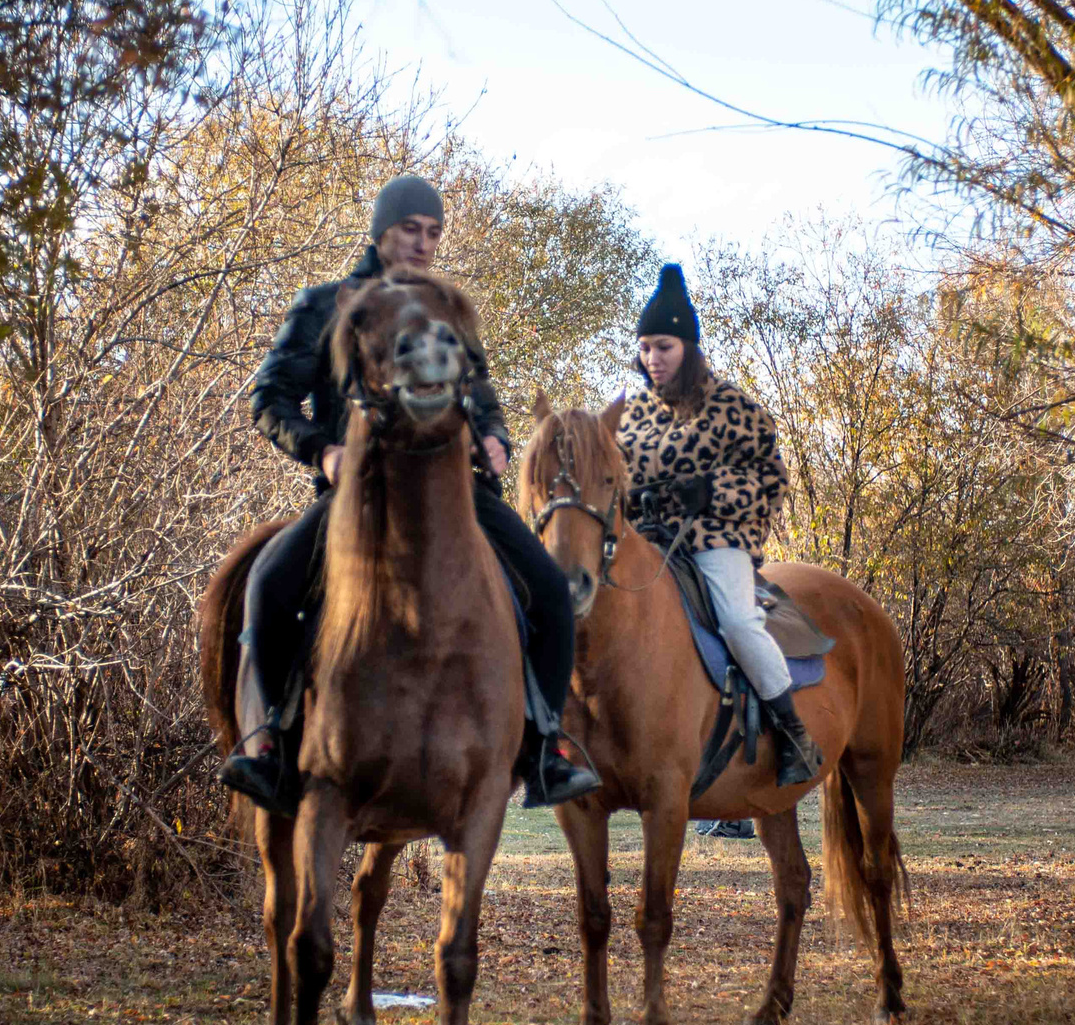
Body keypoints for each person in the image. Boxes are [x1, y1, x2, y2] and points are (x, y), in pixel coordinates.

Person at [220, 175, 602, 814]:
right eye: (410, 229)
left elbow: (480, 398)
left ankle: (544, 747)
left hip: (454, 491)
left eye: (433, 232)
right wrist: (324, 449)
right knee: (267, 583)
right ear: (380, 232)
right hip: (356, 498)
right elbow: (269, 399)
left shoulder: (448, 309)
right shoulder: (323, 307)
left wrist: (494, 437)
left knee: (549, 592)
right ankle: (268, 746)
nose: (423, 244)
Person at [614, 264, 821, 787]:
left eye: (663, 346)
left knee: (736, 622)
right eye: (645, 347)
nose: (652, 358)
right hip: (646, 542)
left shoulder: (733, 406)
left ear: (687, 345)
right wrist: (628, 499)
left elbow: (771, 479)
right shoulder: (631, 413)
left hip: (715, 541)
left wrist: (712, 492)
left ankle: (796, 735)